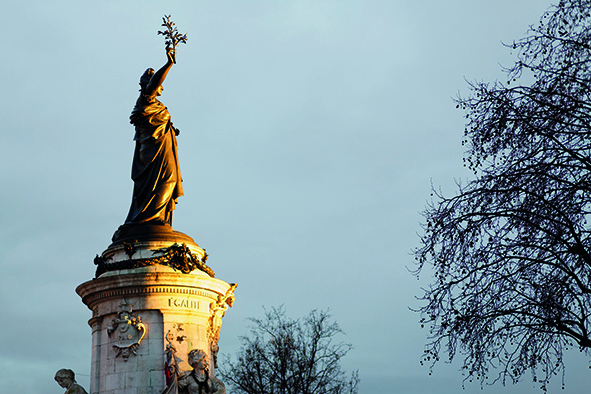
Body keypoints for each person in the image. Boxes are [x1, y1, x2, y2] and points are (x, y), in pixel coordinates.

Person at [123, 48, 183, 227]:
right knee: (167, 180)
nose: (161, 86)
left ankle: (157, 216)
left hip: (163, 150)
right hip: (152, 152)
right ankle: (152, 217)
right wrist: (169, 63)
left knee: (167, 181)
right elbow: (153, 84)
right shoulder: (145, 99)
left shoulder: (157, 105)